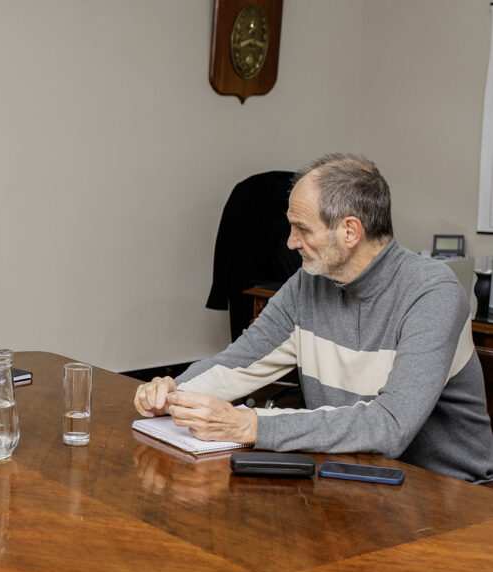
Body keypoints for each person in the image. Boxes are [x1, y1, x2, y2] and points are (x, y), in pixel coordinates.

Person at [134, 153, 493, 483]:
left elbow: (390, 426)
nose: (290, 243)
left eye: (302, 229)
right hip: (356, 478)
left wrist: (249, 424)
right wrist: (172, 394)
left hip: (449, 496)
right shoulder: (307, 283)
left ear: (350, 231)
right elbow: (239, 363)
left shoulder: (433, 293)